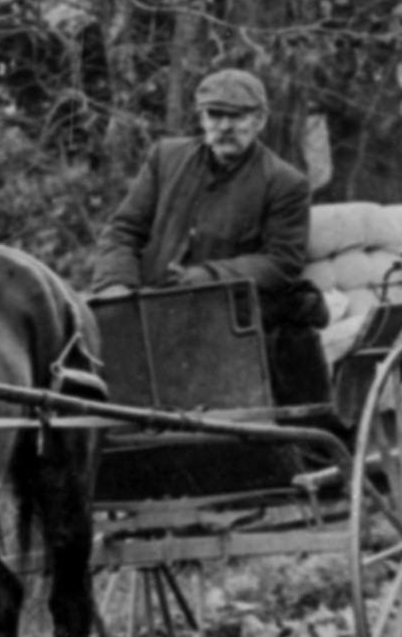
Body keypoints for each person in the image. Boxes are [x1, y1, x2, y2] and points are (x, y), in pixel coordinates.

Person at [91, 67, 327, 406]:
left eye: (238, 116)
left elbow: (281, 262)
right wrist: (116, 286)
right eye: (215, 115)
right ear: (202, 117)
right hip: (152, 307)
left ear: (260, 120)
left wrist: (203, 278)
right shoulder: (166, 158)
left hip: (227, 316)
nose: (225, 126)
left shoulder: (285, 183)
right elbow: (124, 229)